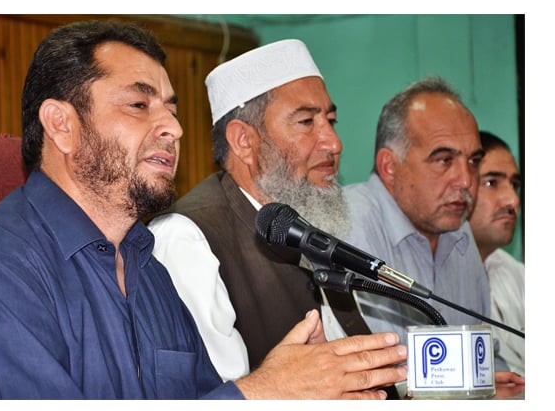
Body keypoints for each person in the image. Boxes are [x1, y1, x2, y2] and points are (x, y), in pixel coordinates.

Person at [0, 20, 408, 400]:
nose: (174, 129)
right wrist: (264, 391)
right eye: (139, 105)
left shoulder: (146, 265)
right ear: (62, 125)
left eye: (172, 110)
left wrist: (295, 387)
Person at [148, 39, 400, 397]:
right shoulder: (187, 237)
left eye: (331, 120)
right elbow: (219, 393)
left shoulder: (305, 222)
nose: (334, 142)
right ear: (243, 140)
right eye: (306, 121)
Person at [339, 76, 525, 388]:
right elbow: (372, 378)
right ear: (389, 166)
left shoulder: (460, 233)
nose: (466, 181)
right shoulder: (349, 225)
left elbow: (486, 358)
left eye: (472, 161)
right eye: (444, 160)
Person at [468, 130, 524, 375]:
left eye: (515, 185)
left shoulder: (517, 274)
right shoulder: (423, 275)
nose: (512, 200)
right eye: (492, 182)